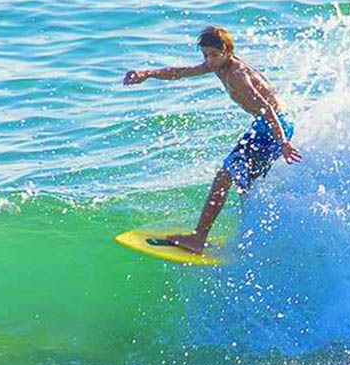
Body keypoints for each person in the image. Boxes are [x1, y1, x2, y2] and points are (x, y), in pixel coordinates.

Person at [123, 26, 302, 254]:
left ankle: (199, 239)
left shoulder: (237, 74)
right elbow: (182, 72)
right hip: (269, 127)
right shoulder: (219, 66)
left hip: (272, 128)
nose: (209, 61)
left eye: (214, 55)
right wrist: (147, 74)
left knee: (224, 176)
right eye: (205, 55)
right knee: (244, 184)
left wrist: (283, 142)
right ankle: (259, 238)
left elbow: (267, 108)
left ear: (227, 51)